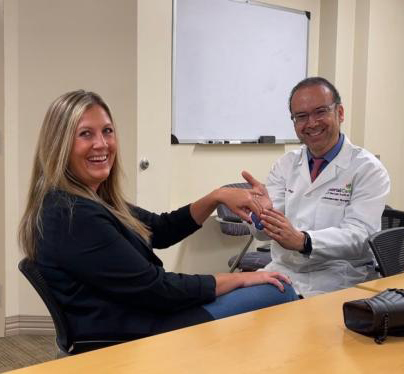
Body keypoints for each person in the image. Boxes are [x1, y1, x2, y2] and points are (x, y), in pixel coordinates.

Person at [18, 90, 297, 343]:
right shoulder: (73, 215)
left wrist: (216, 197)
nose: (102, 144)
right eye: (85, 134)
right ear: (60, 144)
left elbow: (159, 229)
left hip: (140, 318)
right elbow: (157, 289)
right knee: (278, 292)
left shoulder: (90, 202)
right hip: (139, 333)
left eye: (107, 131)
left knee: (264, 288)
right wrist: (237, 279)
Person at [252, 77, 390, 297]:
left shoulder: (367, 169)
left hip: (339, 281)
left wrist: (304, 241)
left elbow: (361, 236)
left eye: (320, 112)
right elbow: (263, 232)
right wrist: (261, 215)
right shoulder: (285, 165)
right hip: (282, 274)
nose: (312, 123)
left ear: (340, 113)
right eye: (301, 116)